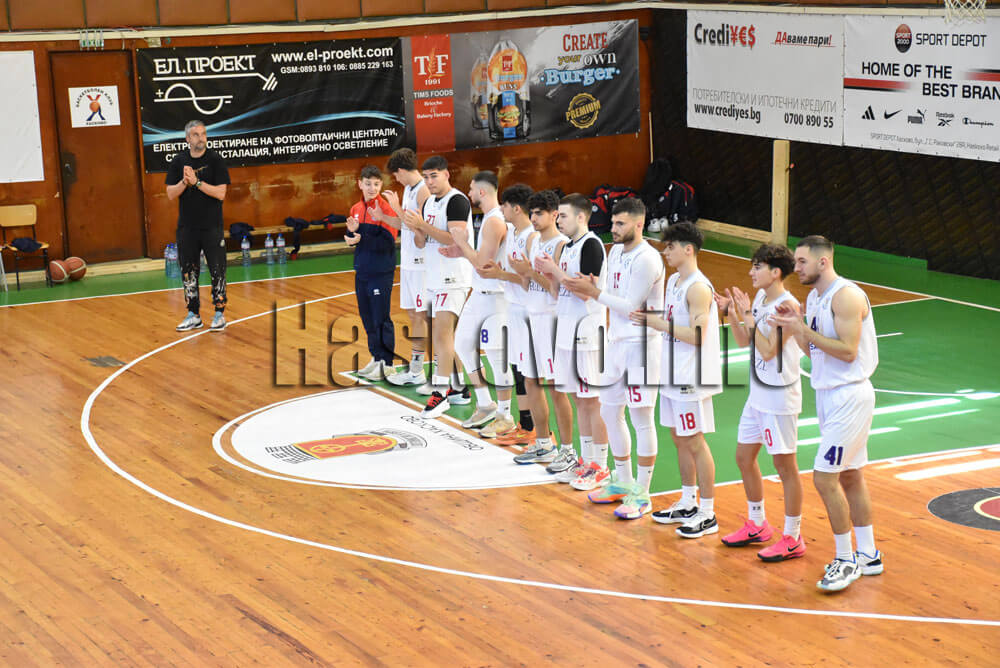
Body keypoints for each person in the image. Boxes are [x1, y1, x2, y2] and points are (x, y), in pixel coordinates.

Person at [770, 235, 882, 592]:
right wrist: (796, 327)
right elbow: (814, 351)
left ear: (823, 262)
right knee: (850, 475)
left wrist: (802, 328)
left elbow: (848, 351)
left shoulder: (846, 296)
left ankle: (846, 560)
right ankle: (869, 554)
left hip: (849, 395)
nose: (796, 267)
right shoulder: (815, 298)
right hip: (829, 395)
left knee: (824, 477)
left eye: (802, 262)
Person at [564, 197, 664, 520]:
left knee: (641, 418)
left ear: (639, 224)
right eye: (613, 222)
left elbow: (631, 306)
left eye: (620, 223)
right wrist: (595, 288)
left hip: (642, 346)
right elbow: (611, 294)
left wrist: (595, 293)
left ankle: (643, 493)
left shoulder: (648, 259)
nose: (614, 228)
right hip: (617, 341)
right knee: (609, 411)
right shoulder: (616, 251)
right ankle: (622, 481)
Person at [716, 244, 805, 561]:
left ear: (775, 272)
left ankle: (793, 537)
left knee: (785, 467)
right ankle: (757, 524)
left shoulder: (787, 306)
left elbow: (768, 351)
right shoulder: (760, 299)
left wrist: (748, 316)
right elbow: (745, 343)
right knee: (744, 457)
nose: (750, 272)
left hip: (779, 397)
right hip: (757, 396)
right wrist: (733, 315)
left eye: (757, 267)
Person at [633, 222, 723, 537]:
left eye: (670, 247)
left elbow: (697, 335)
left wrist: (657, 324)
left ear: (688, 249)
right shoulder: (674, 281)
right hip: (672, 372)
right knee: (679, 437)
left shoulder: (698, 288)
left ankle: (708, 512)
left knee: (695, 441)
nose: (665, 252)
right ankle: (687, 501)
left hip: (691, 377)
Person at [534, 193, 611, 488]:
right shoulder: (566, 247)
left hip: (588, 334)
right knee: (580, 400)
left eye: (563, 216)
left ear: (581, 216)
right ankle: (585, 461)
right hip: (567, 331)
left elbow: (587, 291)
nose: (559, 221)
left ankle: (600, 466)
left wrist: (555, 271)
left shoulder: (591, 245)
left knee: (592, 402)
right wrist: (548, 272)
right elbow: (558, 292)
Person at [401, 156, 473, 417]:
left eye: (434, 175)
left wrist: (423, 225)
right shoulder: (429, 202)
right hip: (433, 276)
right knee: (445, 336)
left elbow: (455, 239)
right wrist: (416, 229)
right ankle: (459, 388)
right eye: (426, 176)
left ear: (446, 174)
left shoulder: (457, 201)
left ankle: (440, 393)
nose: (430, 181)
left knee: (442, 334)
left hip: (453, 278)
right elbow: (422, 242)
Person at [445, 170, 514, 429]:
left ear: (482, 191)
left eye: (472, 189)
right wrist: (461, 251)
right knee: (462, 345)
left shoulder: (495, 221)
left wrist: (462, 244)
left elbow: (484, 266)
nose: (469, 193)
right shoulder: (488, 218)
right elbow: (482, 259)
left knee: (496, 356)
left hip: (495, 298)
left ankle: (505, 415)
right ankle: (485, 404)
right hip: (479, 294)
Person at [509, 190, 573, 466]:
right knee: (531, 382)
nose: (534, 218)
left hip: (552, 320)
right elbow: (529, 285)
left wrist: (531, 272)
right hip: (532, 317)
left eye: (539, 213)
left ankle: (567, 449)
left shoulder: (561, 245)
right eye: (532, 213)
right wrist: (522, 272)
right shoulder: (534, 242)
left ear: (554, 215)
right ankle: (543, 442)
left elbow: (557, 291)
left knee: (557, 388)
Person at [476, 184, 537, 443]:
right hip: (513, 308)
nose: (501, 209)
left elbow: (530, 281)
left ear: (516, 208)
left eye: (505, 205)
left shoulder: (532, 238)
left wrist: (501, 274)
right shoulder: (513, 232)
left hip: (528, 312)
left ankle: (537, 431)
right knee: (518, 370)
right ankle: (525, 424)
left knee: (530, 376)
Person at [165, 120, 231, 332]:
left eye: (203, 134)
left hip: (212, 226)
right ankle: (193, 314)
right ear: (187, 139)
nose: (200, 138)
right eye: (195, 134)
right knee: (188, 271)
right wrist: (185, 182)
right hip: (187, 227)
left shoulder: (215, 160)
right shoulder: (179, 161)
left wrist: (197, 183)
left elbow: (221, 193)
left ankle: (219, 314)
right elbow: (170, 193)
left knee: (217, 270)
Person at [344, 165, 400, 381]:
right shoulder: (356, 208)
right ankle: (376, 357)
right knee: (367, 317)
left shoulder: (386, 209)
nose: (372, 188)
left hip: (381, 271)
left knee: (381, 317)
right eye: (368, 183)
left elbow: (388, 242)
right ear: (360, 184)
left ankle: (387, 363)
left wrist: (361, 238)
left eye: (376, 184)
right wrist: (350, 236)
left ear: (381, 185)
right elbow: (353, 235)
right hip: (362, 270)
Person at [383, 148, 431, 389]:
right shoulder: (410, 189)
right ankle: (416, 368)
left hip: (421, 264)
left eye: (396, 175)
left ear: (401, 170)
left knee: (422, 317)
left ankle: (418, 369)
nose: (396, 179)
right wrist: (382, 216)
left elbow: (421, 229)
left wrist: (396, 208)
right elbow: (404, 225)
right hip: (410, 262)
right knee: (413, 315)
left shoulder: (423, 191)